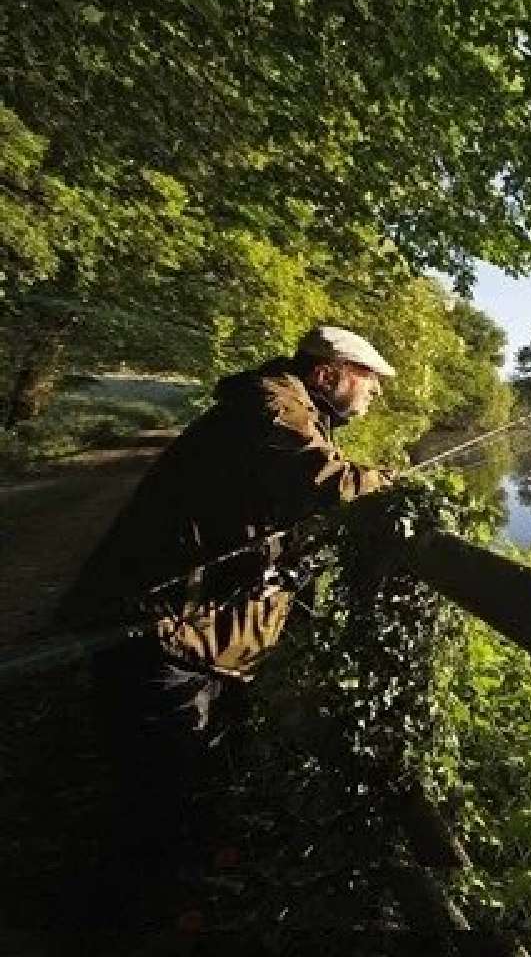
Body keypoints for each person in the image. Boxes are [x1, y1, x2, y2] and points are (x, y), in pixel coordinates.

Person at [59, 325, 397, 927]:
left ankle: (166, 895)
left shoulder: (284, 409)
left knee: (178, 776)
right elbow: (325, 483)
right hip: (155, 629)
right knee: (157, 789)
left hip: (177, 632)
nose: (375, 395)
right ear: (328, 374)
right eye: (368, 380)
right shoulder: (272, 408)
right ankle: (128, 919)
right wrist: (393, 486)